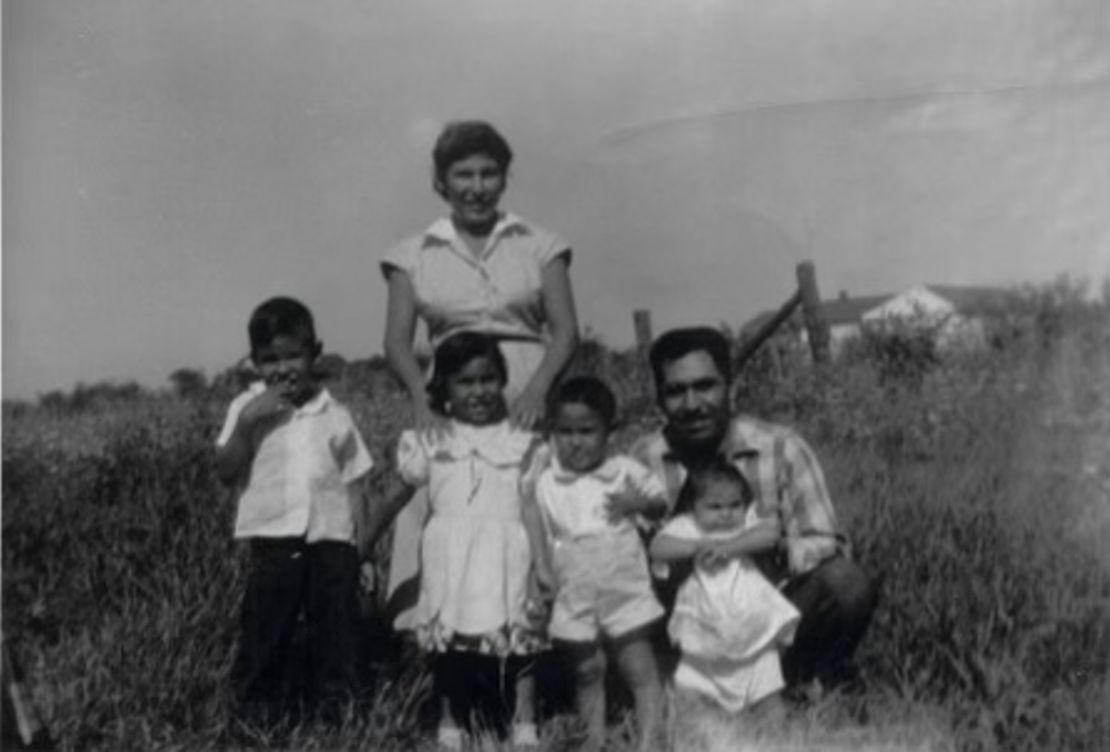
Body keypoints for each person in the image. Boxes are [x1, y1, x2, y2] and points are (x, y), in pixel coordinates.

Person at [380, 119, 579, 630]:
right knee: (434, 499)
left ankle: (548, 632)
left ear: (505, 178)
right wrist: (422, 402)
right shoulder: (412, 253)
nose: (476, 187)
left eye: (489, 174)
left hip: (526, 382)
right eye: (463, 175)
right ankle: (424, 627)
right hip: (449, 390)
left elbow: (565, 332)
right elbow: (397, 342)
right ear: (441, 182)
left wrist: (536, 390)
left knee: (532, 499)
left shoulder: (539, 243)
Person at [632, 327, 878, 694]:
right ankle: (667, 684)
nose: (692, 403)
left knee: (846, 583)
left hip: (768, 610)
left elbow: (823, 540)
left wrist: (761, 549)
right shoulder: (641, 461)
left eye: (705, 386)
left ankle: (807, 676)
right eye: (676, 391)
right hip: (684, 620)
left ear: (731, 387)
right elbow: (629, 558)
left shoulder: (781, 448)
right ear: (659, 399)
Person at [382, 332, 550, 749]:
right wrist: (364, 541)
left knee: (520, 636)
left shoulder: (522, 441)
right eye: (466, 382)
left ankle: (524, 719)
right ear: (445, 389)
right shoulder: (432, 439)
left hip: (508, 549)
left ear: (502, 381)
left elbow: (533, 505)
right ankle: (450, 720)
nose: (479, 391)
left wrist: (542, 565)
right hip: (451, 555)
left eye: (488, 379)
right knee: (449, 644)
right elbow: (398, 489)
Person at [215, 297, 374, 727]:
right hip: (274, 537)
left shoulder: (334, 414)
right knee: (266, 630)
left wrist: (364, 550)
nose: (283, 369)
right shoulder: (247, 408)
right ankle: (255, 716)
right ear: (254, 363)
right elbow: (226, 470)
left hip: (332, 539)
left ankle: (337, 715)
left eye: (293, 356)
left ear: (314, 352)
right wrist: (248, 423)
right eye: (270, 360)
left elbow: (356, 481)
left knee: (336, 632)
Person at [532, 376, 666, 752]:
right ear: (552, 433)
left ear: (610, 431)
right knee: (587, 670)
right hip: (575, 587)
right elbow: (540, 534)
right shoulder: (548, 482)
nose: (576, 442)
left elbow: (659, 502)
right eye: (565, 431)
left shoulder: (622, 470)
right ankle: (593, 740)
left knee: (639, 666)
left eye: (587, 430)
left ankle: (650, 741)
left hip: (624, 586)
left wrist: (633, 504)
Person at [649, 462, 799, 717]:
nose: (726, 514)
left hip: (753, 629)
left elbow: (770, 533)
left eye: (734, 505)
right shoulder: (689, 526)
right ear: (692, 507)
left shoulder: (744, 526)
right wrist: (696, 547)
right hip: (706, 630)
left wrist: (729, 547)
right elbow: (658, 547)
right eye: (714, 507)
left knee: (768, 692)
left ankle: (776, 734)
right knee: (693, 694)